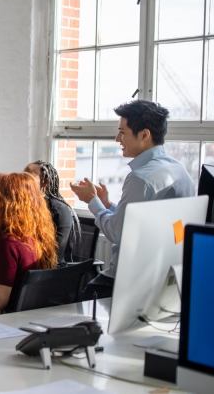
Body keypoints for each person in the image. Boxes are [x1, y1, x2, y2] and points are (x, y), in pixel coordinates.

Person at [70, 100, 194, 296]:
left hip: (129, 281)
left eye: (122, 132)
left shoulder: (141, 178)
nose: (117, 139)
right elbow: (142, 219)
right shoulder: (179, 170)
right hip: (166, 279)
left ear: (144, 135)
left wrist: (92, 201)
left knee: (80, 296)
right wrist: (107, 204)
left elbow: (117, 233)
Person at [0, 172, 58, 311]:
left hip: (11, 319)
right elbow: (14, 284)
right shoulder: (34, 237)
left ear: (8, 203)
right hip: (31, 315)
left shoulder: (9, 243)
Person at [24, 160, 81, 263]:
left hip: (51, 268)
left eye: (28, 176)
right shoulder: (24, 206)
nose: (22, 180)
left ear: (45, 182)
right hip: (28, 262)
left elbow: (55, 254)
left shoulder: (59, 210)